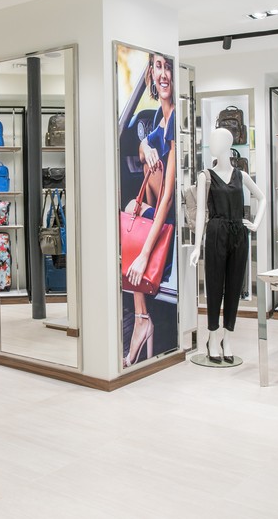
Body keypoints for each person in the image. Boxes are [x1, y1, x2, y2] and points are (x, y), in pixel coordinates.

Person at [190, 128, 266, 364]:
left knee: (234, 287)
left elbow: (262, 197)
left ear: (229, 144)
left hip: (238, 233)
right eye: (212, 139)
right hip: (215, 232)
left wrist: (255, 224)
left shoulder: (241, 175)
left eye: (218, 139)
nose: (213, 143)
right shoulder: (205, 176)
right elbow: (201, 212)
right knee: (214, 287)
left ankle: (228, 337)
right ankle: (213, 337)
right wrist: (197, 246)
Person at [123, 52, 176, 367]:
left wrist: (143, 255)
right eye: (158, 67)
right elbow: (143, 151)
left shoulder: (175, 120)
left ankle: (142, 322)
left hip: (167, 224)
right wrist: (146, 146)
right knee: (131, 204)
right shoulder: (160, 117)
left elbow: (167, 197)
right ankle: (142, 319)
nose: (163, 74)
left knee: (132, 212)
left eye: (168, 67)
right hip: (158, 214)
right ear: (151, 74)